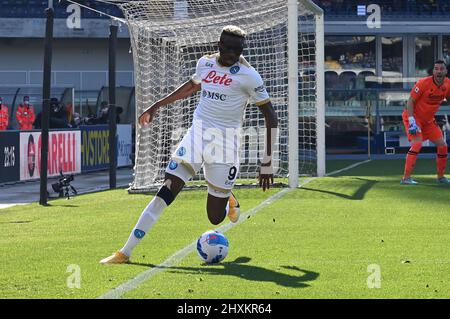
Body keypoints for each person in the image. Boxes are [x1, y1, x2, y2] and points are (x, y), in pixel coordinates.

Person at [100, 25, 278, 264]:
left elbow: (271, 116)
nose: (233, 54)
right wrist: (157, 105)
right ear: (219, 46)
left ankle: (228, 201)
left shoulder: (249, 76)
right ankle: (125, 252)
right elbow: (192, 86)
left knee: (215, 218)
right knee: (166, 190)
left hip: (224, 146)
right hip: (196, 136)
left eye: (238, 50)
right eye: (229, 48)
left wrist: (266, 163)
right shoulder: (205, 63)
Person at [401, 60, 450, 184]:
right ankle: (406, 178)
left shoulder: (448, 84)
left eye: (441, 69)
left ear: (446, 71)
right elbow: (410, 102)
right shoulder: (423, 83)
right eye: (436, 69)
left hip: (428, 121)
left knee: (443, 146)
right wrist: (412, 121)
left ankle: (441, 177)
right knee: (417, 144)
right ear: (433, 71)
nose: (439, 71)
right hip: (413, 117)